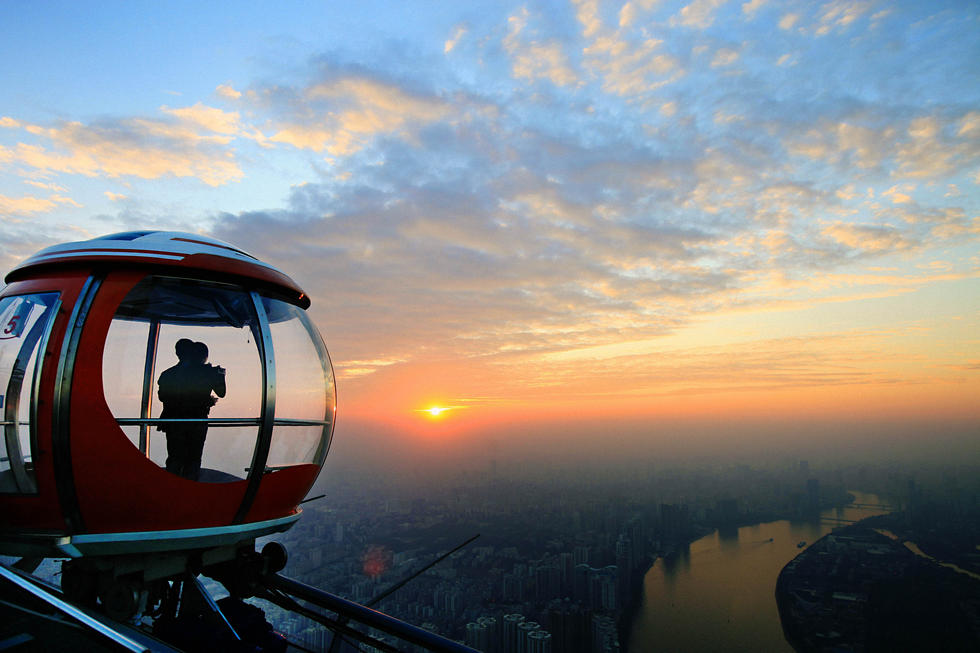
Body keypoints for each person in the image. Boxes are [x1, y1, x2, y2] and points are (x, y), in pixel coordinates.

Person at [157, 338, 226, 480]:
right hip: (196, 421)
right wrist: (220, 376)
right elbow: (221, 393)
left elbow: (163, 397)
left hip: (173, 421)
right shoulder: (207, 373)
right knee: (194, 459)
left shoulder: (167, 374)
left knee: (174, 457)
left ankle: (170, 488)